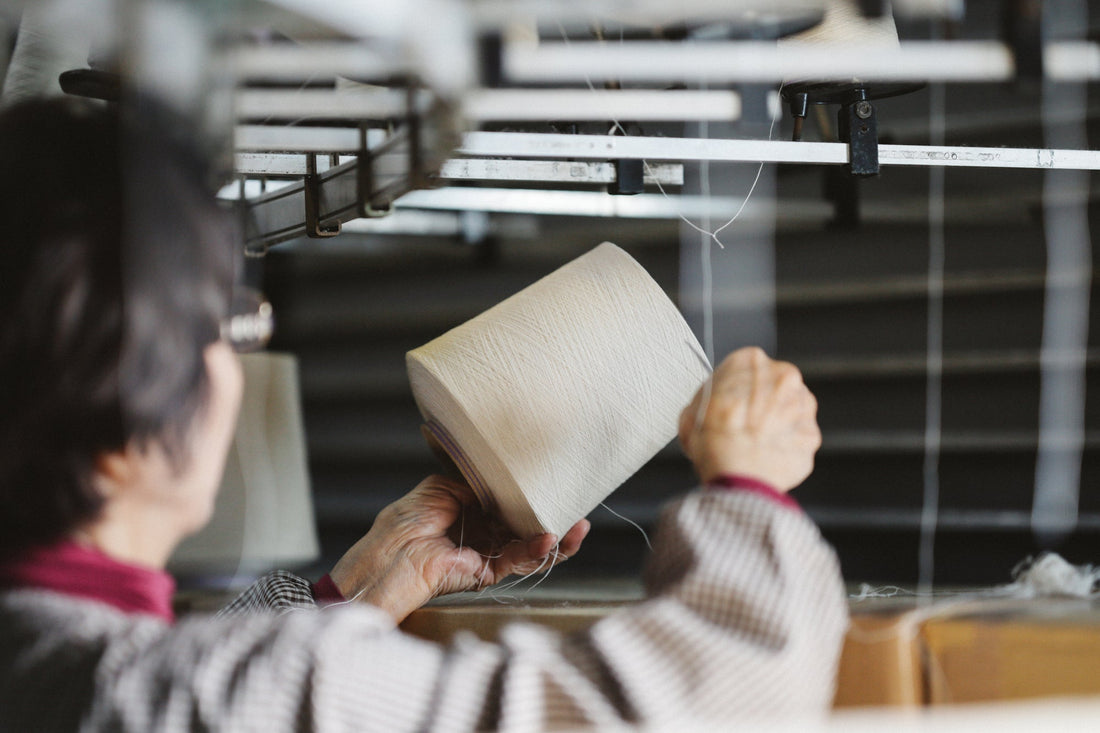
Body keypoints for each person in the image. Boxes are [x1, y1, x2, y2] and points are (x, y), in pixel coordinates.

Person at [0, 98, 848, 732]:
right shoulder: (185, 697)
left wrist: (361, 586)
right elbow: (701, 704)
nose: (235, 369)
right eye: (226, 329)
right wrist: (749, 491)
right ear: (118, 420)